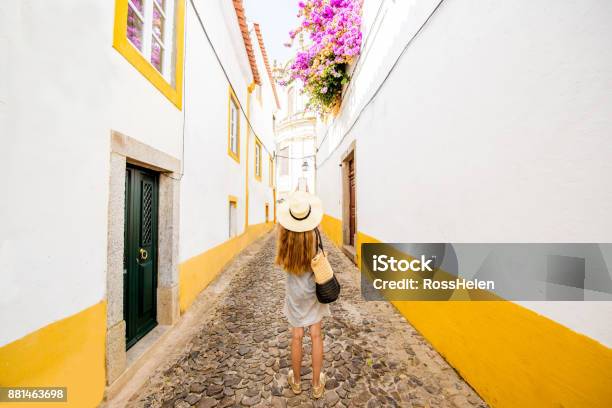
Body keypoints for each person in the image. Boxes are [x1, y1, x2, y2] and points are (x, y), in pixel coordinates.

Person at [275, 191, 331, 399]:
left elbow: (281, 261)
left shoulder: (285, 235)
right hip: (314, 291)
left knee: (296, 336)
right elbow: (320, 259)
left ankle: (296, 382)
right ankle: (317, 384)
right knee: (316, 335)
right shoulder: (315, 233)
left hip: (295, 293)